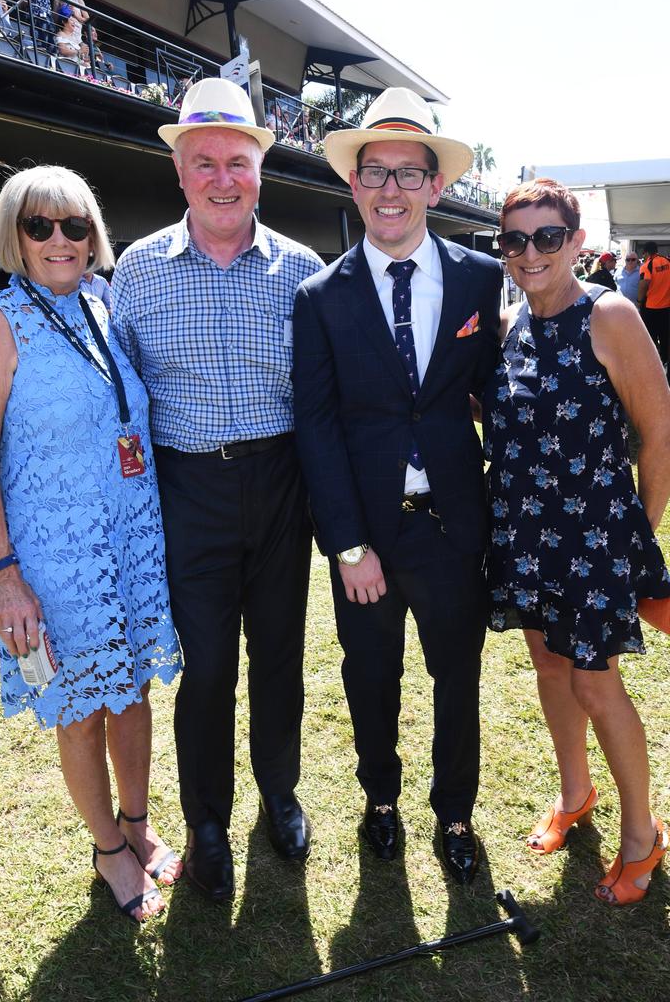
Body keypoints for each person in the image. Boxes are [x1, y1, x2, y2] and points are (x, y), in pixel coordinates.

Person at [0, 165, 183, 924]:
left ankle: (139, 824)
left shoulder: (104, 304)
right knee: (81, 708)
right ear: (13, 236)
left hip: (130, 540)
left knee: (136, 690)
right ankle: (108, 850)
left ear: (93, 235)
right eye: (39, 225)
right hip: (55, 558)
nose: (59, 239)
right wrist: (5, 575)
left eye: (74, 225)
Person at [112, 78, 324, 903]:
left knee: (279, 657)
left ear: (261, 172)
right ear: (180, 173)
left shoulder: (303, 271)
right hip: (187, 486)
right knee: (206, 670)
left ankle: (279, 790)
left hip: (280, 483)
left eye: (239, 161)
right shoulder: (136, 271)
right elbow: (120, 398)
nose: (223, 177)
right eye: (206, 162)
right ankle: (206, 818)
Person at [292, 87, 502, 884]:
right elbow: (316, 427)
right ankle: (380, 800)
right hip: (367, 539)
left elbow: (494, 394)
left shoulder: (481, 279)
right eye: (373, 171)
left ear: (434, 186)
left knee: (459, 679)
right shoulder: (319, 297)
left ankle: (455, 813)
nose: (389, 189)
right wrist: (348, 545)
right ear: (354, 183)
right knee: (371, 679)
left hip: (454, 528)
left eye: (407, 173)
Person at [484, 177, 670, 906]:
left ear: (576, 242)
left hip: (594, 543)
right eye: (515, 239)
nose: (531, 253)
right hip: (526, 537)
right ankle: (574, 793)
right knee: (549, 669)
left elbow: (658, 435)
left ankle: (642, 833)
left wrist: (637, 537)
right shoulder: (508, 327)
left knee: (596, 682)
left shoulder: (612, 315)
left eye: (547, 237)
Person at [638, 241, 670, 375]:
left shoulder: (647, 265)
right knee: (666, 338)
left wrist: (639, 301)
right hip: (667, 308)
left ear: (645, 253)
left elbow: (644, 283)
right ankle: (665, 363)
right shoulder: (668, 262)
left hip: (651, 308)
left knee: (649, 338)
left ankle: (652, 366)